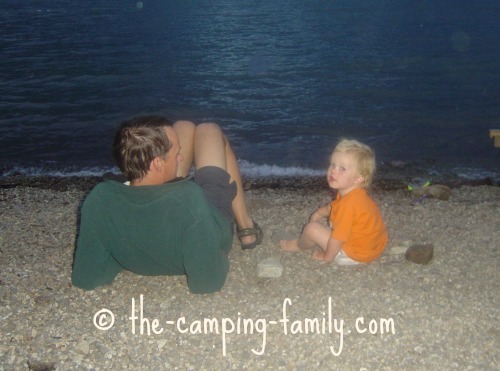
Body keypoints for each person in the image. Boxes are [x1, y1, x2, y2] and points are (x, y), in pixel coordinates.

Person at [71, 116, 263, 294]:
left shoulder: (100, 197)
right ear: (157, 164)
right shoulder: (190, 200)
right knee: (209, 130)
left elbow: (87, 277)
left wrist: (123, 256)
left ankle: (163, 170)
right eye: (177, 153)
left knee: (183, 127)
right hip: (201, 216)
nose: (181, 158)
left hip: (167, 210)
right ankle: (246, 228)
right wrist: (219, 254)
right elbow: (207, 283)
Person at [280, 139, 387, 265]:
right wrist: (320, 213)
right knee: (338, 222)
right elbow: (333, 206)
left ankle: (298, 245)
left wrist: (326, 256)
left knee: (311, 229)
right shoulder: (356, 195)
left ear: (358, 178)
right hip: (374, 247)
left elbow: (337, 239)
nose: (333, 171)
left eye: (342, 169)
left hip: (356, 254)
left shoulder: (347, 206)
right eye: (332, 165)